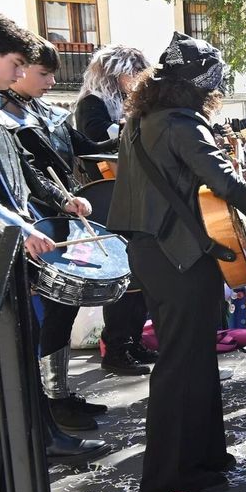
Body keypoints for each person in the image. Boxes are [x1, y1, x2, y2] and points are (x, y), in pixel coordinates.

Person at [99, 33, 246, 492]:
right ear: (200, 86)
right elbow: (223, 181)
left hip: (155, 253)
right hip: (180, 257)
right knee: (181, 363)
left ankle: (205, 459)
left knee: (192, 358)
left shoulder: (142, 118)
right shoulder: (182, 122)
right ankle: (168, 476)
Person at [0, 37, 117, 429]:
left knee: (61, 310)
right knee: (32, 323)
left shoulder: (45, 113)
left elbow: (64, 158)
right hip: (27, 229)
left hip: (51, 223)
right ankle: (45, 411)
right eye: (42, 73)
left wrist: (65, 199)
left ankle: (56, 398)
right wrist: (24, 223)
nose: (49, 82)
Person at [75, 43, 154, 376]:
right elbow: (94, 141)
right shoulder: (91, 104)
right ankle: (117, 348)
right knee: (122, 280)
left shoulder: (127, 104)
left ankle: (132, 341)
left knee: (139, 279)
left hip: (131, 195)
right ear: (115, 73)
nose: (136, 79)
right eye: (131, 72)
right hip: (106, 198)